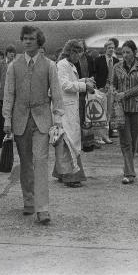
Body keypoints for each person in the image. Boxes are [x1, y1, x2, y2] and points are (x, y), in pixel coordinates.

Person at [3, 26, 64, 224]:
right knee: (26, 163)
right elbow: (9, 94)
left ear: (39, 42)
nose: (27, 42)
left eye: (31, 39)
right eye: (25, 39)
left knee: (40, 161)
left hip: (42, 120)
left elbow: (56, 93)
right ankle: (29, 200)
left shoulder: (49, 65)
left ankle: (43, 208)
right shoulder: (14, 65)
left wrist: (58, 118)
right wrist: (6, 119)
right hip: (20, 119)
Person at [55, 40, 94, 187]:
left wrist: (84, 80)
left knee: (67, 140)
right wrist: (84, 86)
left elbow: (71, 81)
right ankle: (71, 176)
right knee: (70, 141)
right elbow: (64, 85)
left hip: (70, 107)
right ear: (71, 52)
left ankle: (61, 172)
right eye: (78, 53)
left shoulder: (68, 65)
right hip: (65, 109)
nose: (80, 57)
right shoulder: (62, 65)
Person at [112, 40, 138, 185]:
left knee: (133, 141)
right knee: (126, 142)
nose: (125, 55)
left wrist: (124, 94)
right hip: (122, 109)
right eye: (123, 52)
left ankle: (128, 168)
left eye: (128, 52)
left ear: (134, 53)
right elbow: (113, 83)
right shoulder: (116, 66)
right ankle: (129, 173)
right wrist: (114, 92)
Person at [93, 39, 119, 141]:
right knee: (100, 112)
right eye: (109, 48)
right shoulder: (98, 60)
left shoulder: (116, 61)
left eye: (112, 48)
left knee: (109, 113)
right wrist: (98, 87)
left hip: (112, 90)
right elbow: (95, 74)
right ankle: (98, 136)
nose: (111, 50)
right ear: (105, 49)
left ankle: (106, 135)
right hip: (101, 89)